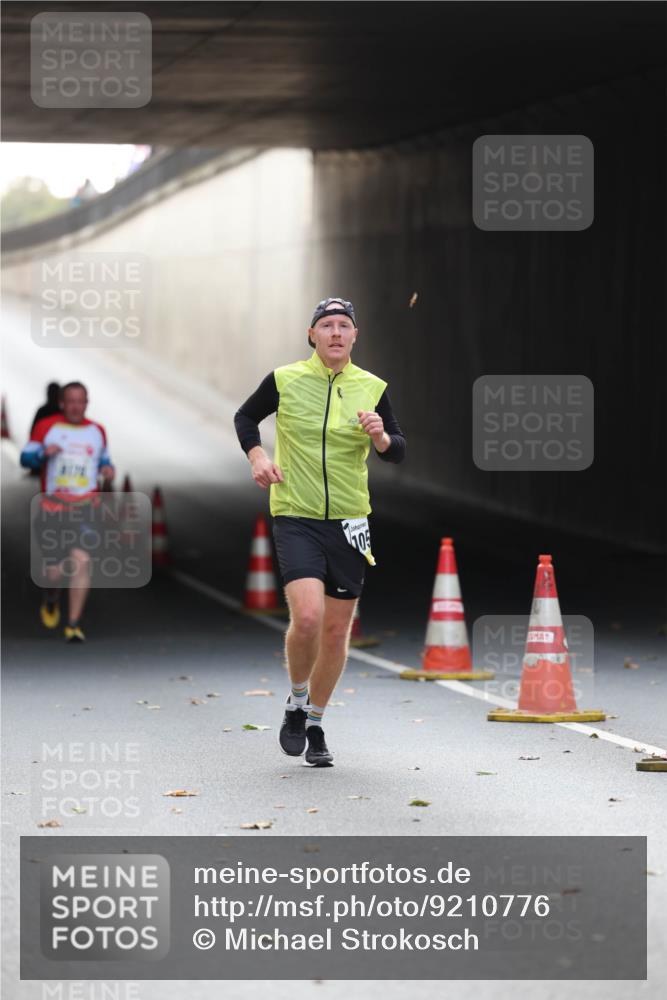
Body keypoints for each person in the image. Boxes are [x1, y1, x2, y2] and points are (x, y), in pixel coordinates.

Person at [234, 297, 405, 766]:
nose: (335, 332)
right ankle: (295, 699)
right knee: (307, 618)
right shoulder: (286, 379)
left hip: (351, 520)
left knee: (335, 631)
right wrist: (258, 458)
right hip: (296, 513)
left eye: (343, 325)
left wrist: (380, 436)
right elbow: (245, 417)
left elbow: (397, 450)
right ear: (312, 335)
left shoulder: (372, 387)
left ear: (355, 335)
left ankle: (315, 721)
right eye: (326, 325)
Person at [20, 382, 115, 642]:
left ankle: (73, 625)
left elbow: (104, 459)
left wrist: (108, 470)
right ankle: (52, 595)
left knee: (82, 562)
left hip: (86, 508)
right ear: (62, 403)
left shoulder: (97, 431)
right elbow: (25, 458)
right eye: (70, 401)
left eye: (80, 401)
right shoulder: (47, 426)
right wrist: (42, 453)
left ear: (87, 403)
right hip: (52, 508)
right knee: (54, 572)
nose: (75, 406)